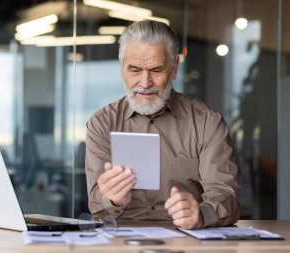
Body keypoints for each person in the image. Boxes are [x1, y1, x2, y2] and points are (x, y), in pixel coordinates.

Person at [85, 19, 240, 229]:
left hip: (187, 240)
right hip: (121, 241)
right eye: (135, 70)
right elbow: (97, 207)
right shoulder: (101, 124)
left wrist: (201, 214)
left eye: (156, 70)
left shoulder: (207, 123)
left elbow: (227, 197)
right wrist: (112, 200)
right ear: (122, 69)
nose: (145, 83)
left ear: (174, 68)